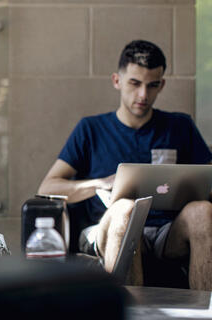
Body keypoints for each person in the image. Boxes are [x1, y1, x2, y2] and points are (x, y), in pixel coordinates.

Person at [38, 40, 212, 290]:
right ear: (117, 81)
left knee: (203, 212)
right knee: (125, 210)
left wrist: (194, 189)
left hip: (166, 231)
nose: (143, 95)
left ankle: (206, 312)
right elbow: (47, 187)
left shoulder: (180, 126)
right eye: (135, 83)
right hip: (108, 227)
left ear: (161, 85)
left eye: (152, 86)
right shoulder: (91, 129)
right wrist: (100, 183)